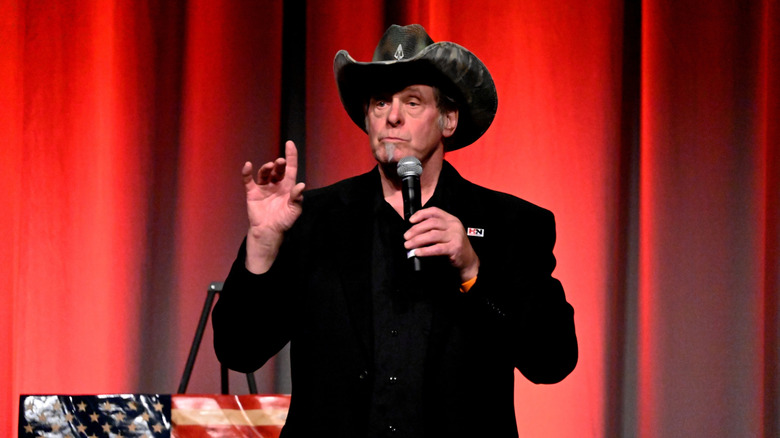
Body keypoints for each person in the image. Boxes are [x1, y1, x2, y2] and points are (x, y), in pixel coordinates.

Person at [212, 24, 577, 437]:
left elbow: (552, 360)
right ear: (367, 117)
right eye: (381, 101)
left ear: (448, 119)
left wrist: (474, 272)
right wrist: (261, 243)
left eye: (413, 102)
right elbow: (238, 350)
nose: (393, 116)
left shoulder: (510, 224)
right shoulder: (311, 218)